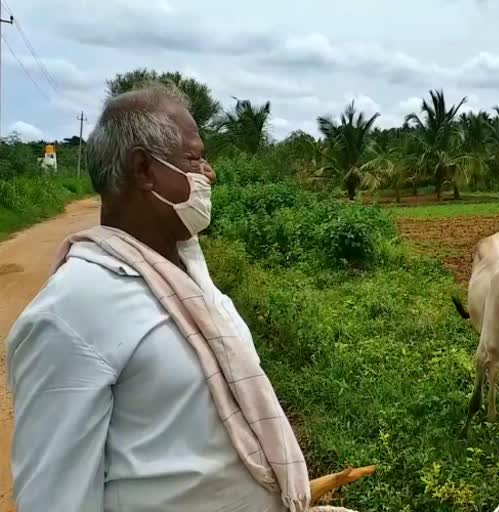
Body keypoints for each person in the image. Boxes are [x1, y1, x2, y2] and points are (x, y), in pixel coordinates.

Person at [5, 84, 309, 512]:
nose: (209, 173)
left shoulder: (187, 272)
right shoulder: (72, 313)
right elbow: (54, 500)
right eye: (194, 159)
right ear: (144, 169)